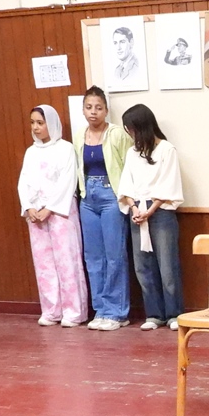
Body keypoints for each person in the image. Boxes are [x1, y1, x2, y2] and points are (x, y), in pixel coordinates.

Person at [17, 105, 89, 328]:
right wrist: (29, 207)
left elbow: (68, 181)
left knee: (67, 262)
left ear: (52, 123)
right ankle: (51, 310)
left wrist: (49, 208)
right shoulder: (31, 152)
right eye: (32, 123)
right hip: (36, 215)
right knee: (44, 264)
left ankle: (74, 312)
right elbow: (23, 182)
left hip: (60, 213)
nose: (35, 127)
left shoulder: (65, 149)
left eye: (40, 123)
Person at [117, 104, 185, 330]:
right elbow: (126, 184)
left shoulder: (167, 149)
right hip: (138, 212)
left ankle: (174, 314)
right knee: (142, 267)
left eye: (131, 129)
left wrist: (150, 209)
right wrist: (134, 208)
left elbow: (169, 184)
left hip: (161, 212)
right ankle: (154, 314)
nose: (130, 134)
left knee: (167, 265)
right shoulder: (132, 153)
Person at [74, 86, 133, 331]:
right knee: (93, 256)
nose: (93, 112)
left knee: (114, 255)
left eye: (98, 108)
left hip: (111, 196)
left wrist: (128, 198)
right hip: (88, 198)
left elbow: (131, 166)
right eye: (89, 107)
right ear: (83, 110)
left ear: (106, 110)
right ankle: (100, 310)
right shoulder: (79, 135)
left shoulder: (116, 134)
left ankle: (117, 312)